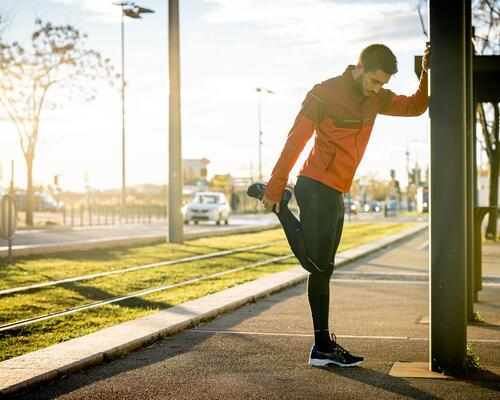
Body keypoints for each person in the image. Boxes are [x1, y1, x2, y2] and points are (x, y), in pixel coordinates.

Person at [247, 43, 430, 368]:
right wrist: (275, 188)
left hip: (336, 191)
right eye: (374, 81)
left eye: (383, 84)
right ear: (359, 67)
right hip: (314, 185)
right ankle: (281, 208)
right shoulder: (323, 94)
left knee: (324, 268)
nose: (378, 89)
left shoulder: (376, 97)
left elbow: (416, 106)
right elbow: (294, 141)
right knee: (316, 266)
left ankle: (322, 346)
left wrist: (426, 71)